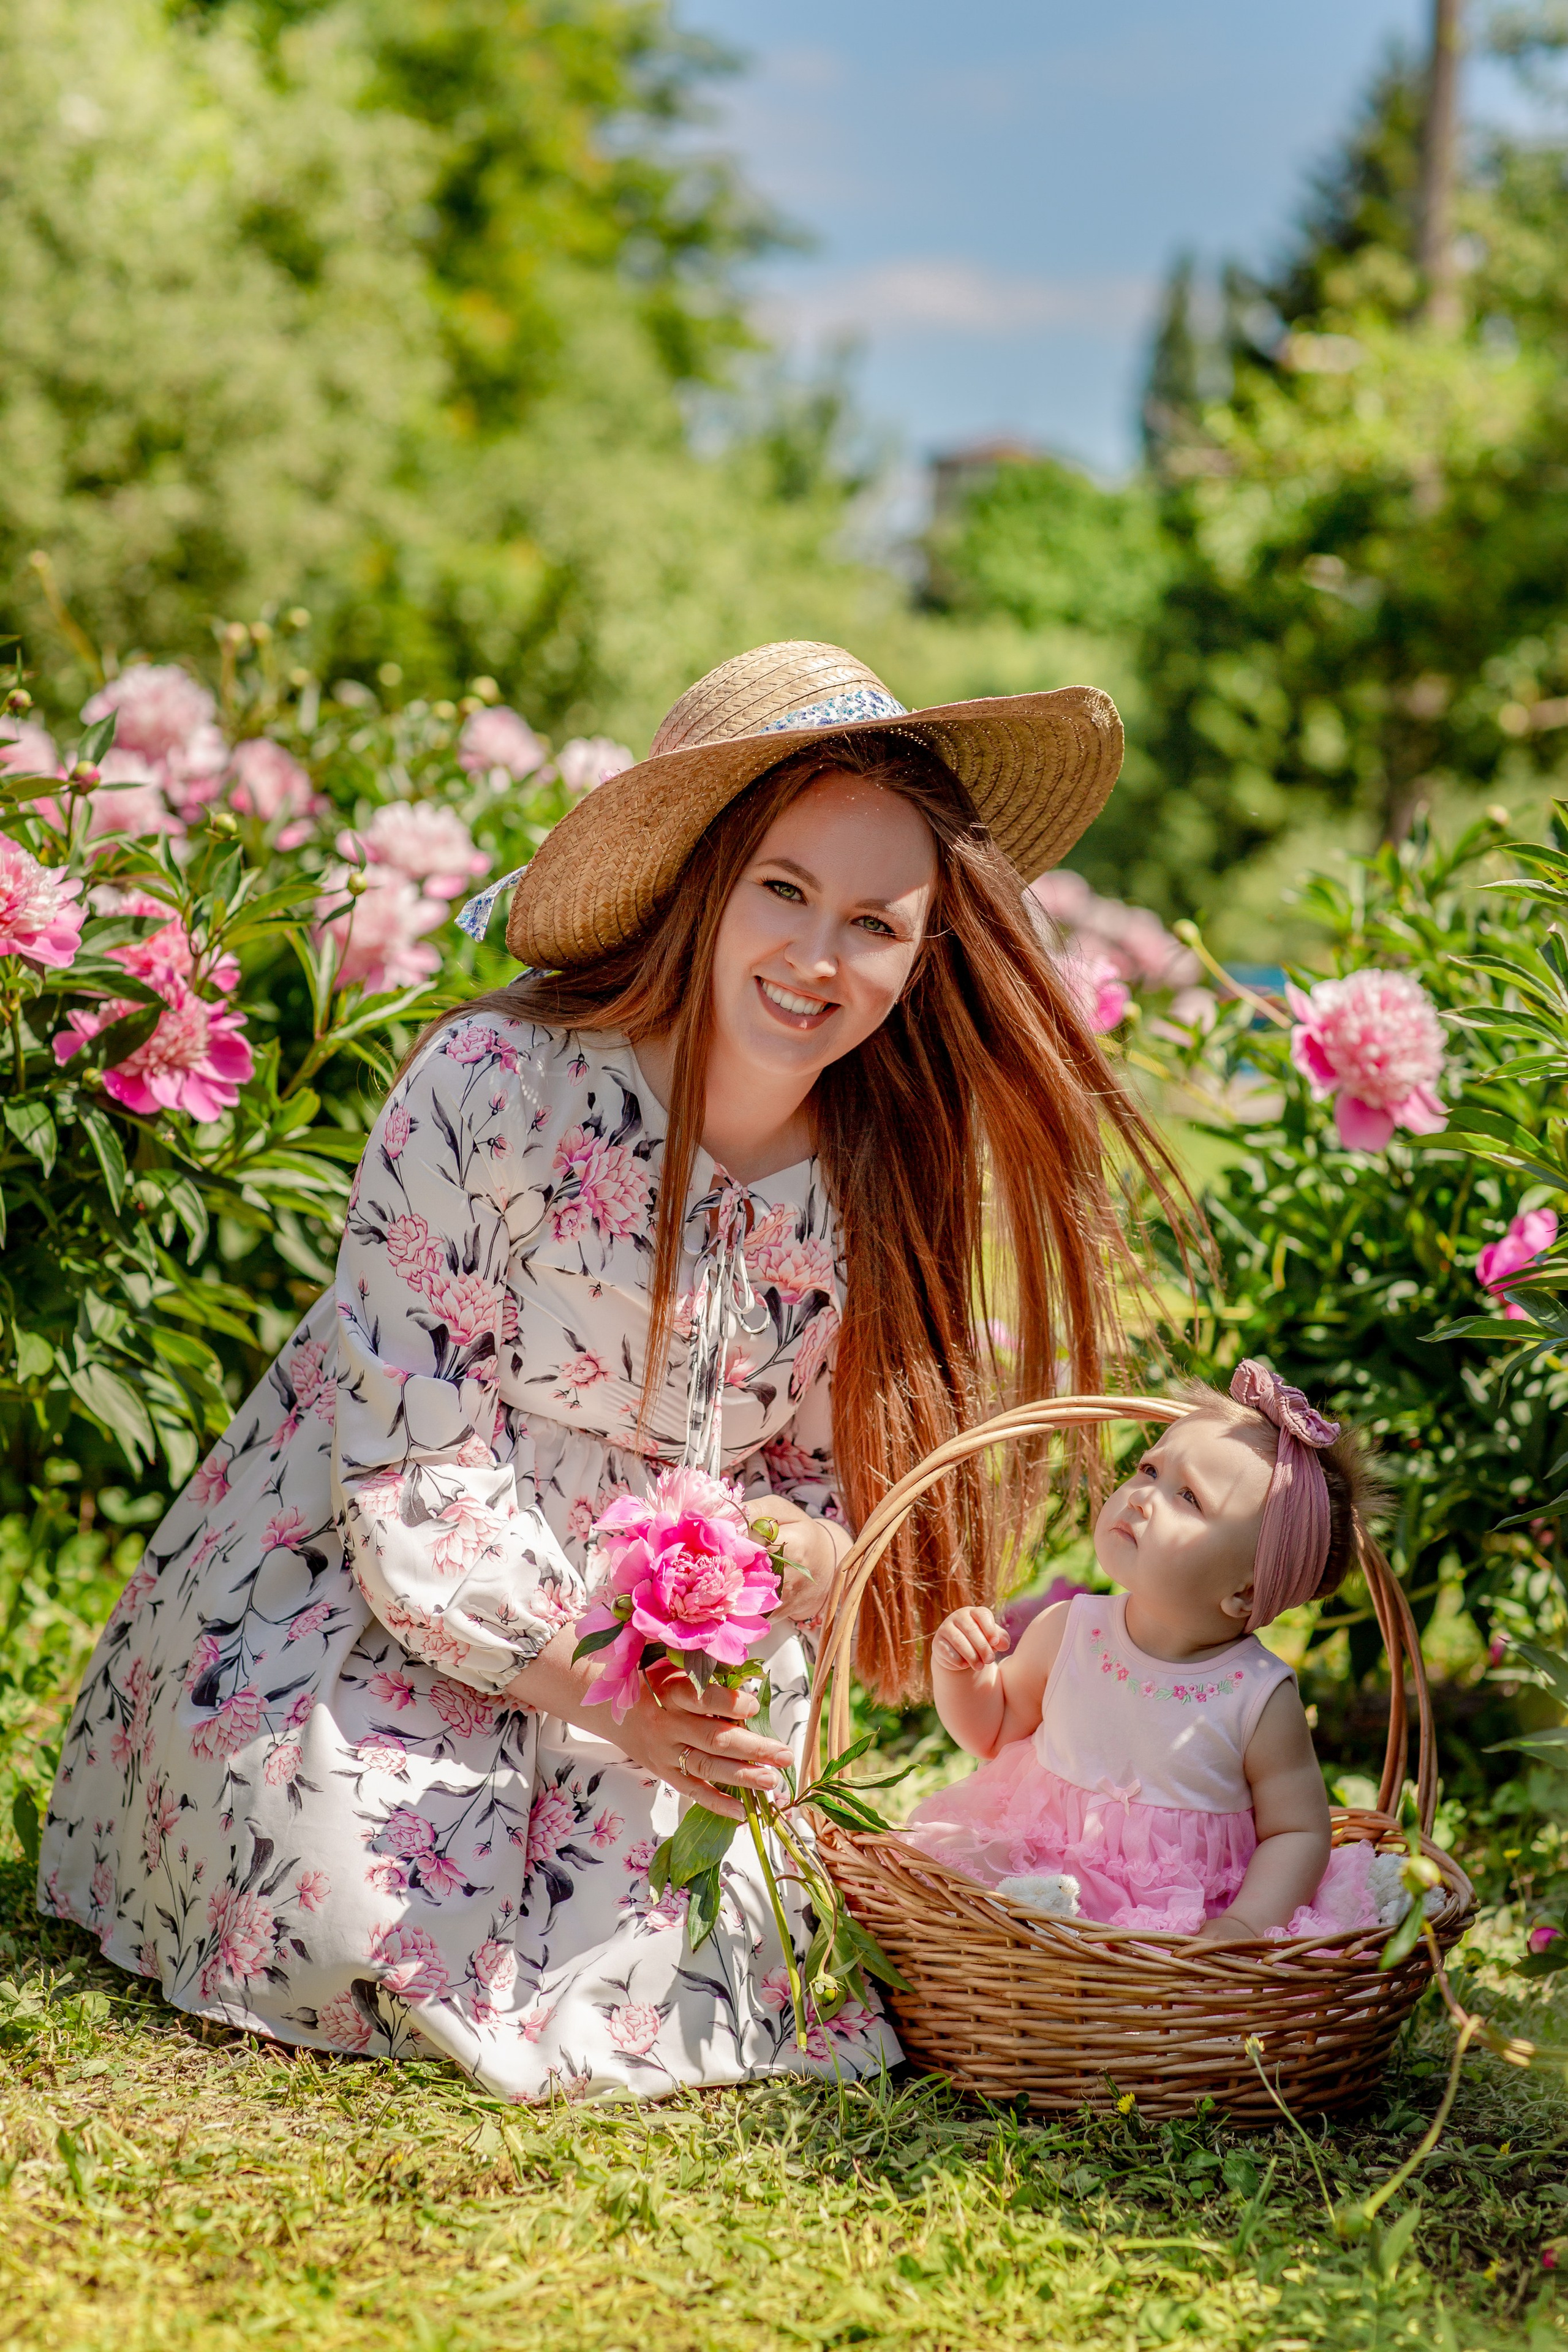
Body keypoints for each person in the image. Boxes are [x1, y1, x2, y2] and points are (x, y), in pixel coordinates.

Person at [39, 638, 1176, 2100]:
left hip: (674, 1651)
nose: (818, 958)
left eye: (875, 923)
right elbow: (411, 1459)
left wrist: (790, 1563)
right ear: (702, 877)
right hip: (399, 1592)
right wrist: (596, 1682)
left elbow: (813, 1478)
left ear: (923, 947)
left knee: (733, 1962)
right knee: (350, 1910)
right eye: (781, 889)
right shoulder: (496, 1083)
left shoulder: (884, 1166)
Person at [906, 1362, 1401, 1942]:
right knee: (948, 1898)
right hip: (1034, 1879)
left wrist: (1242, 1924)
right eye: (1149, 1469)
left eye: (1188, 1497)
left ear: (1245, 1591)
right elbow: (993, 1732)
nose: (1143, 1496)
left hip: (1171, 1924)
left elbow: (1297, 1833)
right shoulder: (1071, 1630)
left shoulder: (1257, 1699)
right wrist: (961, 1673)